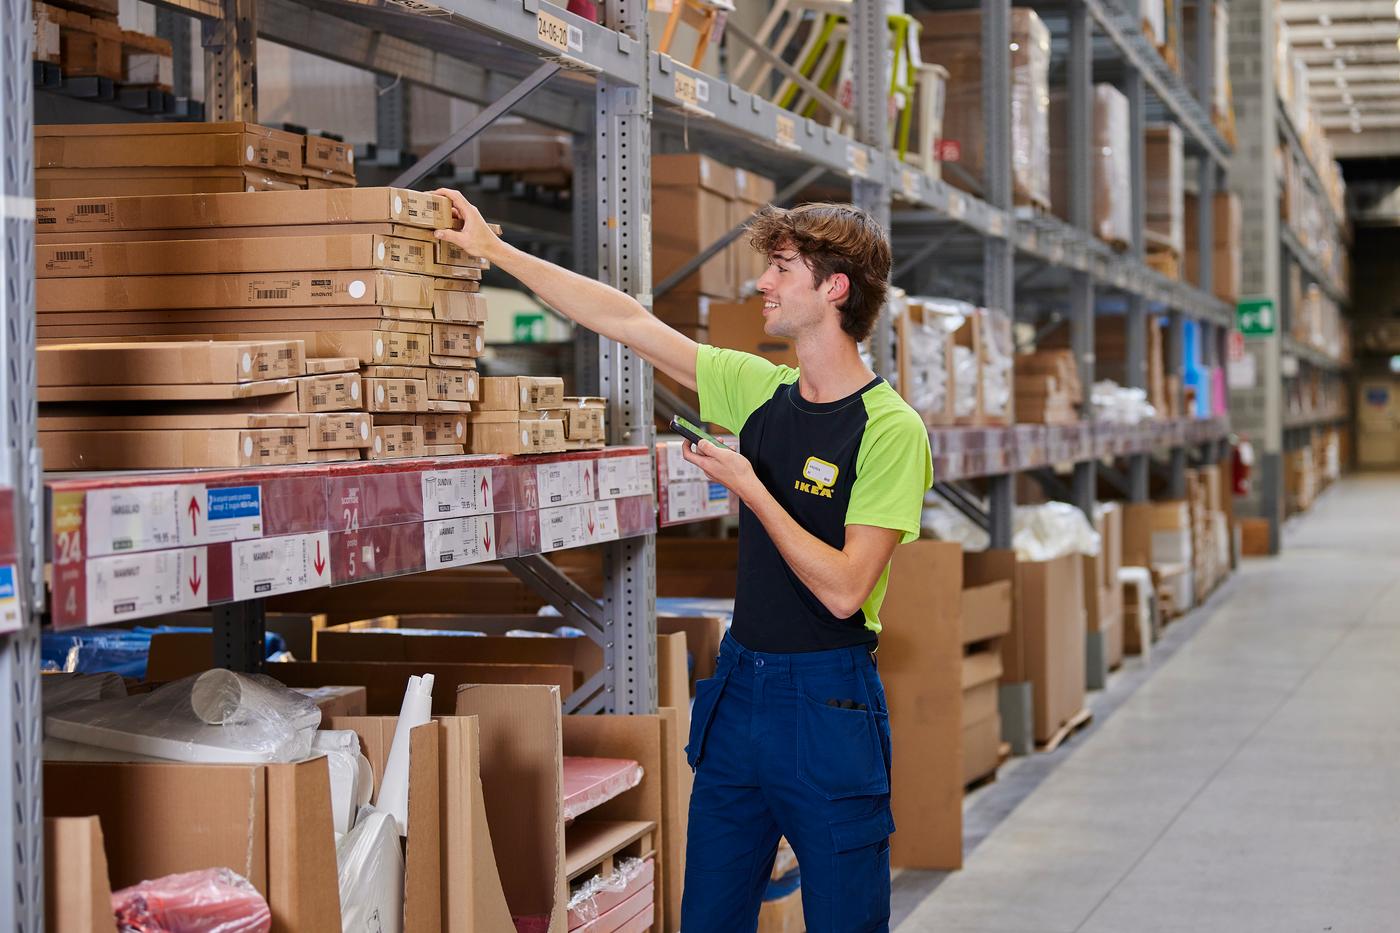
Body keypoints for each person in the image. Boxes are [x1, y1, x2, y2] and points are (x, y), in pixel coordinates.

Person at [433, 189, 933, 933]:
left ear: (834, 288)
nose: (763, 282)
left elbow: (843, 588)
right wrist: (494, 251)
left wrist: (751, 489)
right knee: (708, 919)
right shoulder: (761, 391)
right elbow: (626, 320)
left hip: (829, 704)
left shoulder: (890, 428)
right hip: (741, 691)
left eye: (783, 268)